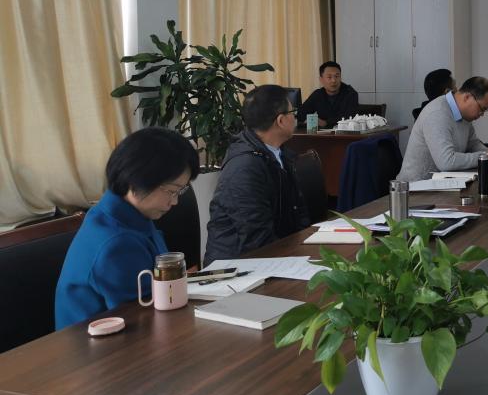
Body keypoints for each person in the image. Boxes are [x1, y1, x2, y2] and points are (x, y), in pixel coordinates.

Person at [55, 127, 199, 328]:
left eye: (180, 191)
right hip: (105, 344)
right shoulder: (116, 244)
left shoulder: (128, 215)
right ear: (136, 180)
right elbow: (144, 317)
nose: (174, 202)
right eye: (171, 191)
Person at [205, 85, 310, 263]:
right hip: (237, 266)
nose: (295, 117)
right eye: (293, 112)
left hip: (275, 254)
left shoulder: (279, 152)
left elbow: (299, 211)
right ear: (281, 121)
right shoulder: (244, 168)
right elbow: (257, 239)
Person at [398, 76, 488, 182]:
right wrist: (487, 157)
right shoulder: (438, 113)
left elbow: (473, 144)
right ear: (467, 97)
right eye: (482, 109)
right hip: (416, 189)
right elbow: (446, 162)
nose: (482, 114)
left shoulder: (464, 116)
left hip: (442, 184)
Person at [297, 61, 359, 128]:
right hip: (322, 133)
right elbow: (301, 114)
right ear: (321, 79)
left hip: (344, 133)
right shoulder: (318, 94)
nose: (333, 80)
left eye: (337, 76)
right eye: (329, 77)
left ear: (340, 78)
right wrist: (311, 120)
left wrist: (326, 122)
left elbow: (350, 118)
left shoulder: (350, 94)